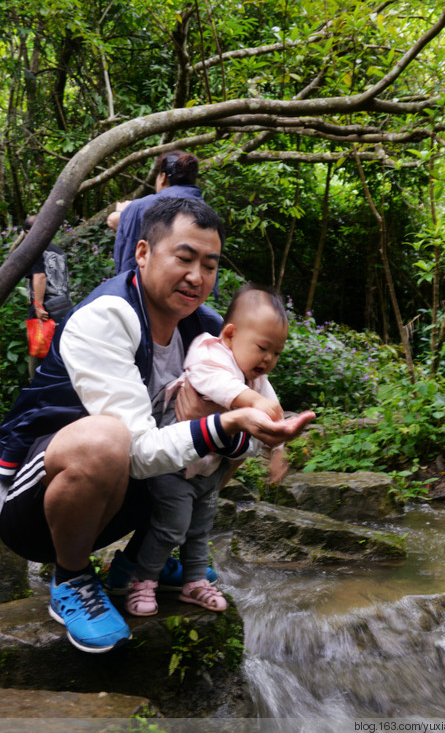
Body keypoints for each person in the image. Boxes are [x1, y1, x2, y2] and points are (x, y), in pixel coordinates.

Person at [0, 197, 314, 654]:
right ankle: (71, 578)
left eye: (210, 265)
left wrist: (245, 433)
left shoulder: (204, 329)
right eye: (184, 258)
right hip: (34, 506)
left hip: (124, 493)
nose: (197, 277)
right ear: (143, 253)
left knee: (213, 436)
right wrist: (224, 424)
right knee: (108, 437)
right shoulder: (106, 317)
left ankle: (140, 562)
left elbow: (244, 422)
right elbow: (136, 451)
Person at [121, 284, 289, 617]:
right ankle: (142, 581)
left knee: (200, 529)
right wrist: (253, 403)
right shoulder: (209, 351)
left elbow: (275, 411)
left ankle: (194, 583)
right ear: (229, 335)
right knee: (171, 527)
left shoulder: (257, 381)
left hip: (207, 473)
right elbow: (215, 385)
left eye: (277, 353)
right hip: (174, 465)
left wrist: (278, 449)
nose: (268, 359)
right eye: (262, 348)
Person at [110, 150, 203, 274]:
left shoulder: (140, 206)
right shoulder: (205, 211)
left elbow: (113, 222)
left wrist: (123, 211)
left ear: (163, 178)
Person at [23, 215, 74, 378]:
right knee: (60, 351)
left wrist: (38, 305)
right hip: (63, 307)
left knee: (38, 352)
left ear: (27, 232)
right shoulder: (57, 249)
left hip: (44, 310)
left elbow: (40, 276)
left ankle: (37, 391)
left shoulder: (34, 249)